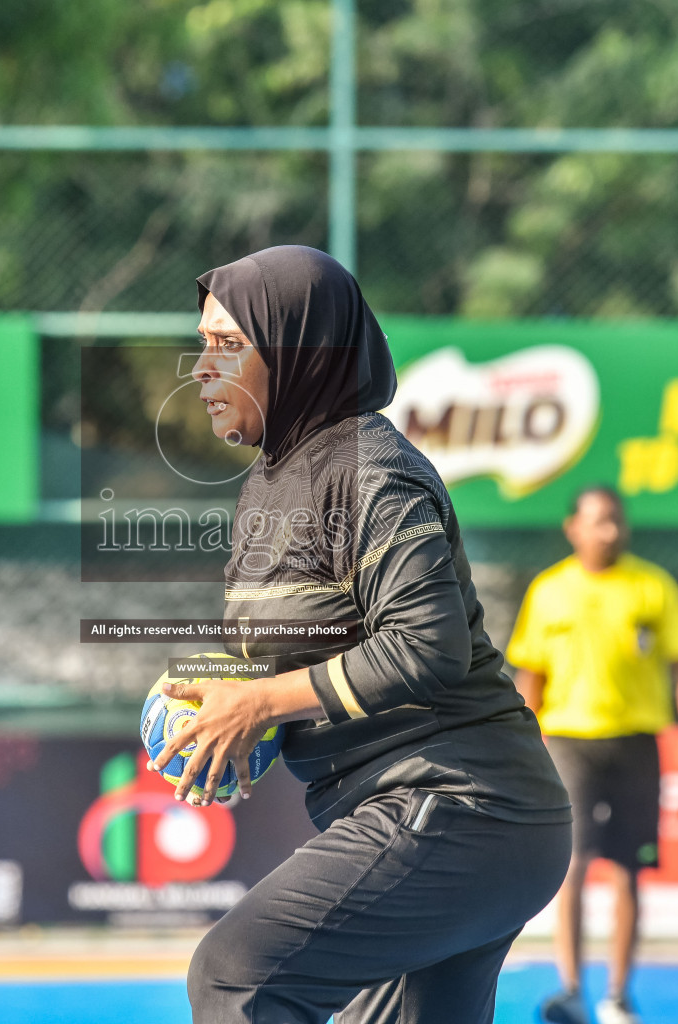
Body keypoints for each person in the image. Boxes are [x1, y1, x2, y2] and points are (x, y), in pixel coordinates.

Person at [149, 245, 573, 1024]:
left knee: (236, 977)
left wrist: (258, 705)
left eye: (225, 345)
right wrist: (229, 704)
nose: (201, 369)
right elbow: (310, 653)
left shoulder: (369, 468)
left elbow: (426, 645)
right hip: (442, 816)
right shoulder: (275, 479)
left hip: (459, 804)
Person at [506, 485, 678, 1024]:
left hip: (636, 743)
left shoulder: (652, 585)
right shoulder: (549, 590)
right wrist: (523, 746)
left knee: (627, 871)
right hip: (570, 742)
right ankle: (571, 989)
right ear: (574, 527)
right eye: (598, 522)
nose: (609, 531)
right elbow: (532, 676)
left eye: (616, 520)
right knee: (570, 864)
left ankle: (618, 995)